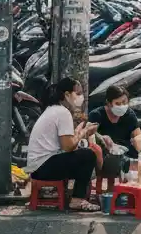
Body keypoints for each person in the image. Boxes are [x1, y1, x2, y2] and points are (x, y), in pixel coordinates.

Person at [26, 78, 100, 212]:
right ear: (66, 94)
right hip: (43, 168)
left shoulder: (54, 110)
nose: (80, 97)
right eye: (77, 93)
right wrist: (84, 132)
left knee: (83, 154)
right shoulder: (62, 112)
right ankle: (77, 200)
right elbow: (68, 146)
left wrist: (79, 132)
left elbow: (67, 143)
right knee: (88, 155)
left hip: (38, 167)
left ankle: (74, 195)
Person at [88, 86, 141, 179]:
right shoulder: (97, 115)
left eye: (124, 102)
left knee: (139, 159)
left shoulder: (129, 115)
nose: (122, 106)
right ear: (109, 104)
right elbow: (90, 135)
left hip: (125, 151)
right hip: (106, 155)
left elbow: (137, 135)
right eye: (117, 103)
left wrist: (139, 143)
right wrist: (102, 138)